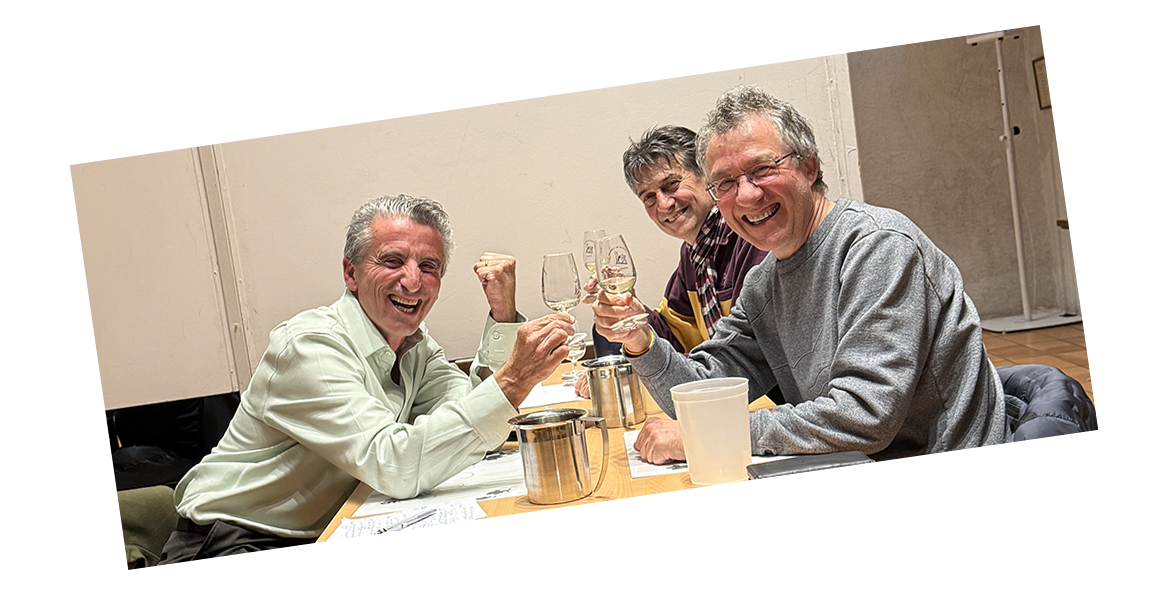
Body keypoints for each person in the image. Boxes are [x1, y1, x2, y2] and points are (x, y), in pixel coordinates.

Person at [593, 86, 1006, 464]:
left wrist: (709, 434)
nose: (747, 195)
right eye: (726, 183)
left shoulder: (877, 247)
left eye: (762, 169)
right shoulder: (764, 285)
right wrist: (640, 341)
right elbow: (702, 391)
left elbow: (866, 416)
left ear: (809, 166)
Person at [158, 195, 574, 569]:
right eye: (392, 261)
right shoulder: (311, 346)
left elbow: (472, 422)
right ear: (351, 273)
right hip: (235, 545)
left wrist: (502, 317)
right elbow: (395, 464)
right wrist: (513, 380)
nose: (413, 281)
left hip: (334, 531)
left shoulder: (413, 343)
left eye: (428, 267)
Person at [576, 125, 771, 399]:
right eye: (649, 197)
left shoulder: (750, 236)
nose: (664, 204)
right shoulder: (693, 255)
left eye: (671, 185)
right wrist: (629, 310)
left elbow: (738, 354)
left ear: (706, 175)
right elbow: (673, 336)